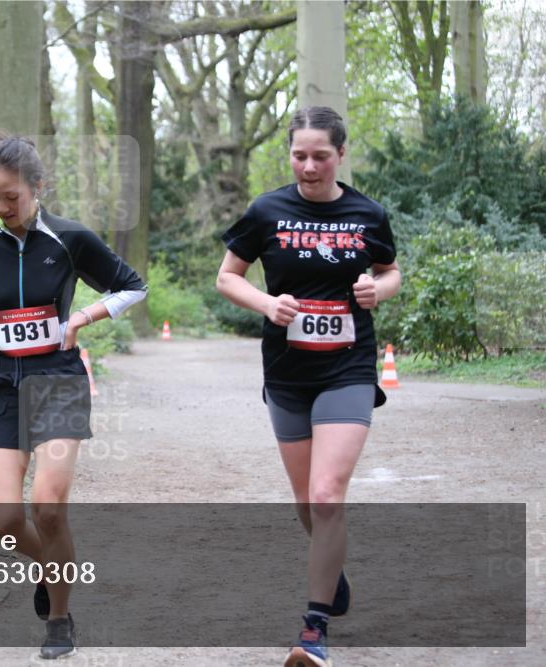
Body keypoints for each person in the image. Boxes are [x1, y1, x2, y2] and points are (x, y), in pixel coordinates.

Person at [0, 129, 147, 659]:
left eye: (11, 197)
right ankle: (52, 569)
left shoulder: (69, 238)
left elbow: (132, 284)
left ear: (37, 187)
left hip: (57, 381)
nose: (1, 207)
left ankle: (60, 619)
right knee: (4, 522)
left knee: (48, 507)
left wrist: (85, 316)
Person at [216, 107, 401, 667]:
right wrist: (268, 303)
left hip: (346, 369)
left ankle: (314, 629)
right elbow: (228, 276)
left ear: (341, 155)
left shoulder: (368, 213)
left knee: (326, 495)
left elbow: (391, 270)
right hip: (288, 374)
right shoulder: (267, 210)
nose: (309, 165)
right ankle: (332, 567)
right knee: (307, 502)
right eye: (300, 155)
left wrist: (379, 290)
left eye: (321, 155)